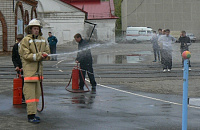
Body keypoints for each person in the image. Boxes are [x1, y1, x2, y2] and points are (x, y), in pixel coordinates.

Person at [19, 19, 50, 123]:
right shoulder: (25, 40)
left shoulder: (43, 39)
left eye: (38, 28)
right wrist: (39, 56)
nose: (36, 30)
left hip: (38, 74)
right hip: (30, 74)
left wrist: (46, 56)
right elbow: (26, 55)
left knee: (36, 95)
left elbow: (47, 52)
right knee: (30, 96)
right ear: (30, 29)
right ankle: (30, 116)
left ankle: (33, 114)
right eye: (34, 28)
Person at [12, 34, 25, 103]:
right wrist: (16, 66)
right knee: (20, 82)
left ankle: (25, 96)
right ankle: (21, 96)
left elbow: (27, 57)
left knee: (26, 82)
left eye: (20, 40)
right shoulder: (15, 46)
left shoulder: (26, 46)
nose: (19, 41)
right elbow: (14, 57)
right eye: (18, 40)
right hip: (19, 67)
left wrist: (24, 66)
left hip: (26, 67)